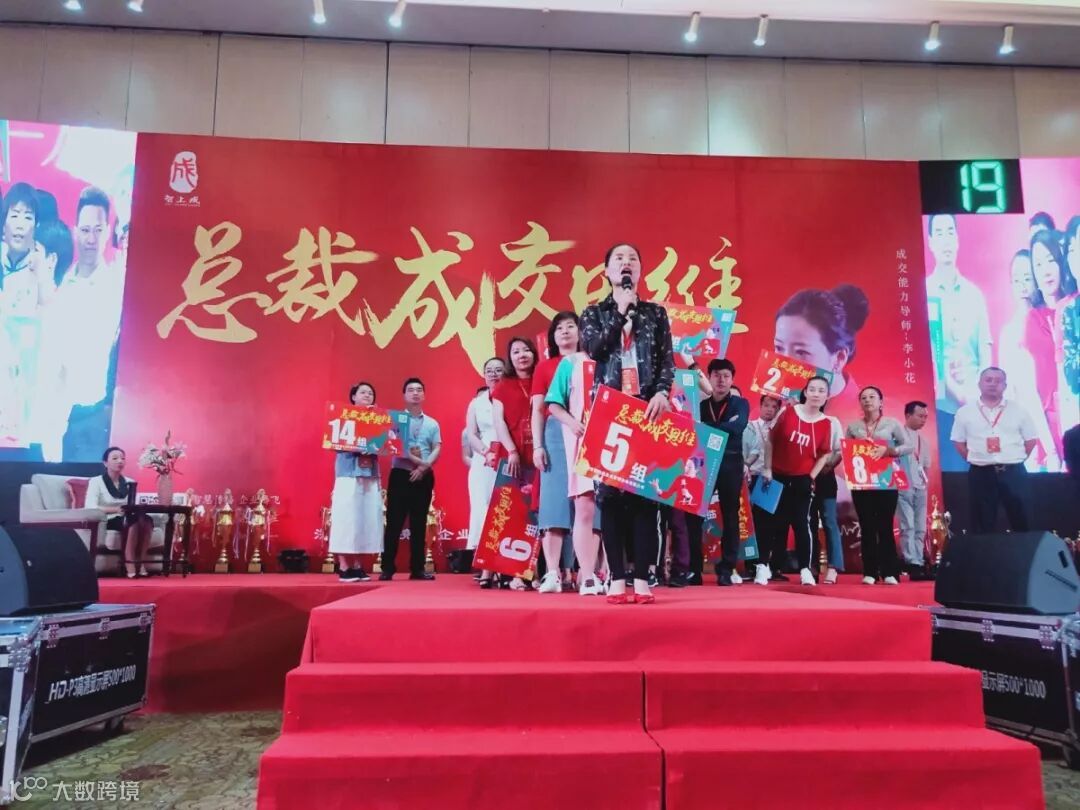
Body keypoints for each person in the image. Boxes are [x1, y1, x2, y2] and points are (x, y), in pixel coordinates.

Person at [581, 242, 674, 604]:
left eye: (633, 258)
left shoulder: (655, 313)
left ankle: (642, 579)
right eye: (619, 258)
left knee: (644, 498)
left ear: (639, 271)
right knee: (609, 499)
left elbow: (666, 359)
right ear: (607, 272)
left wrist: (662, 392)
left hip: (646, 410)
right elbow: (595, 350)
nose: (626, 263)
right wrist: (619, 313)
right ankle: (617, 579)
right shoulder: (594, 312)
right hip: (608, 412)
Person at [925, 214, 993, 470]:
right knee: (949, 473)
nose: (946, 240)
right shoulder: (924, 292)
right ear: (930, 241)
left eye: (950, 232)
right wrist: (955, 390)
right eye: (939, 233)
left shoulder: (974, 295)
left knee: (983, 472)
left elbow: (985, 348)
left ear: (957, 239)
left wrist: (980, 391)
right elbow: (928, 354)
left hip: (977, 405)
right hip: (940, 407)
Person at [543, 330, 605, 597]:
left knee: (609, 515)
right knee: (585, 509)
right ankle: (587, 577)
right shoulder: (571, 363)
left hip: (615, 445)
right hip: (582, 445)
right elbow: (553, 404)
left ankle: (609, 574)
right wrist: (573, 423)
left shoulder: (619, 358)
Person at [762, 377, 833, 586]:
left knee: (803, 524)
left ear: (827, 396)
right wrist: (767, 468)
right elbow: (770, 440)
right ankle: (763, 566)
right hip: (776, 476)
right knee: (770, 523)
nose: (816, 394)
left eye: (821, 390)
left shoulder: (826, 423)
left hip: (802, 479)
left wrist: (811, 476)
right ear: (805, 392)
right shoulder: (788, 412)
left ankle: (805, 569)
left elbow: (824, 454)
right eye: (812, 389)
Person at [684, 359, 749, 586]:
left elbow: (737, 427)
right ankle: (694, 569)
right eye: (717, 375)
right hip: (703, 463)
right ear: (709, 378)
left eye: (726, 376)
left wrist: (705, 427)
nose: (721, 380)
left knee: (730, 515)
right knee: (693, 516)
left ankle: (726, 568)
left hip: (731, 463)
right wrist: (723, 427)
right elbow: (693, 430)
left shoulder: (741, 404)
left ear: (732, 380)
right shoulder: (700, 406)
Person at [951, 367, 1038, 533]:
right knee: (982, 523)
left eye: (998, 381)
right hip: (981, 473)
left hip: (1013, 472)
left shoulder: (1019, 410)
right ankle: (983, 551)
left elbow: (1031, 440)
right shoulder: (965, 412)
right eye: (988, 380)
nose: (993, 384)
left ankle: (1025, 551)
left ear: (1005, 386)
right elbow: (958, 441)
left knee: (1023, 520)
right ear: (979, 384)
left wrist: (1015, 458)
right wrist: (975, 458)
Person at [997, 249, 1060, 471]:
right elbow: (1016, 391)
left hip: (1060, 415)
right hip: (1030, 430)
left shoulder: (1053, 318)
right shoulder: (1009, 333)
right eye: (1017, 280)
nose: (1023, 286)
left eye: (1027, 278)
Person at [844, 386, 912, 586]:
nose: (868, 400)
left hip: (886, 480)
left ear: (881, 402)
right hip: (862, 481)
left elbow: (908, 446)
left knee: (885, 526)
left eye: (872, 397)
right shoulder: (854, 427)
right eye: (864, 398)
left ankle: (890, 571)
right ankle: (870, 572)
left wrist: (889, 450)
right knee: (866, 526)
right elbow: (847, 450)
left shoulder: (892, 423)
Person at [773, 285, 869, 415]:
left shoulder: (869, 415)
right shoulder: (767, 413)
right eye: (779, 347)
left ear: (839, 358)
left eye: (801, 352)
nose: (785, 363)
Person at [380, 377, 441, 580]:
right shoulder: (395, 421)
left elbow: (437, 447)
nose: (415, 393)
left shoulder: (432, 423)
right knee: (394, 522)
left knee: (419, 522)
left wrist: (424, 468)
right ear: (404, 395)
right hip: (400, 474)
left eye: (419, 390)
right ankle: (387, 568)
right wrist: (420, 464)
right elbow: (394, 447)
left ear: (424, 395)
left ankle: (418, 569)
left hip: (424, 477)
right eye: (411, 390)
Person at [491, 336, 539, 590]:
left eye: (526, 350)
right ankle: (514, 573)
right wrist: (511, 450)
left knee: (538, 516)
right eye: (516, 352)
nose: (522, 355)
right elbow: (499, 422)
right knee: (513, 515)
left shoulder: (543, 379)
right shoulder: (503, 386)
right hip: (512, 457)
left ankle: (538, 572)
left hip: (541, 456)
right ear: (510, 358)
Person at [1026, 229, 1075, 460]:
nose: (1045, 270)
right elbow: (1031, 389)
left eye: (1050, 260)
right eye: (1038, 264)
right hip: (1049, 427)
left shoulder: (1073, 309)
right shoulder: (1032, 320)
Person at [328, 382, 384, 583]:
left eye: (370, 393)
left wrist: (377, 443)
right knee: (346, 518)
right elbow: (334, 442)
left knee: (367, 519)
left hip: (370, 474)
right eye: (363, 392)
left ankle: (359, 565)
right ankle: (344, 566)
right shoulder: (342, 416)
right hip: (348, 474)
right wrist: (358, 446)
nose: (367, 395)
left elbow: (390, 443)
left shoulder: (379, 419)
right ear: (353, 397)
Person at [465, 356, 505, 586]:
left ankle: (508, 567)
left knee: (505, 508)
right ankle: (487, 567)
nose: (493, 374)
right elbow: (471, 433)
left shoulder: (512, 397)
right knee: (483, 509)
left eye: (498, 370)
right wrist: (485, 452)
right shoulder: (476, 403)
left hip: (509, 456)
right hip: (484, 459)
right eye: (489, 370)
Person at [84, 446, 153, 578]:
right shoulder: (96, 481)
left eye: (122, 458)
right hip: (107, 519)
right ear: (105, 463)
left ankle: (141, 562)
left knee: (147, 520)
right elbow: (90, 506)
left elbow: (132, 504)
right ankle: (129, 562)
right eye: (115, 458)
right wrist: (114, 510)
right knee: (133, 522)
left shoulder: (130, 482)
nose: (120, 461)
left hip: (127, 516)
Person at [744, 394, 783, 583]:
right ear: (760, 406)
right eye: (767, 405)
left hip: (769, 480)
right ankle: (749, 565)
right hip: (750, 476)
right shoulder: (750, 426)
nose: (769, 409)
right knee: (747, 522)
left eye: (774, 407)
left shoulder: (779, 428)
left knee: (766, 523)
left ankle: (765, 564)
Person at [897, 400, 932, 579]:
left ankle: (919, 560)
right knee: (908, 526)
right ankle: (911, 562)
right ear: (908, 415)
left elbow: (925, 466)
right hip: (903, 487)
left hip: (920, 487)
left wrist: (924, 485)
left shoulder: (923, 440)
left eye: (925, 417)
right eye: (920, 416)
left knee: (920, 527)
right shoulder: (897, 437)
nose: (923, 420)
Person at [810, 409, 844, 584]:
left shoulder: (832, 421)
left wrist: (828, 466)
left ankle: (833, 567)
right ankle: (811, 566)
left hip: (826, 476)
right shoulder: (798, 420)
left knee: (829, 521)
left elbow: (840, 450)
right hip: (804, 476)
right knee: (808, 524)